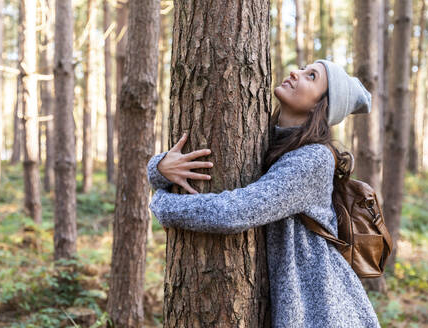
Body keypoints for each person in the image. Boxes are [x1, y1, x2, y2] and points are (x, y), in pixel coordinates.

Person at [146, 59, 380, 328]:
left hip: (323, 308)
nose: (295, 72)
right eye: (303, 68)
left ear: (321, 105)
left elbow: (236, 212)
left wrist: (162, 203)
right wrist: (160, 168)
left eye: (311, 76)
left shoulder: (313, 159)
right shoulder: (265, 140)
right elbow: (173, 170)